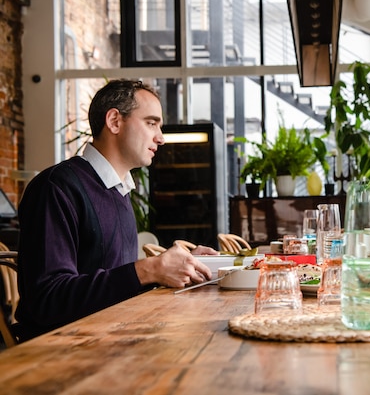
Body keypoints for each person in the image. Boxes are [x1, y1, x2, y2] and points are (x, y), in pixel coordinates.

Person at [15, 79, 218, 342]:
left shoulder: (119, 190)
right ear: (114, 121)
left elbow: (116, 281)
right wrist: (149, 270)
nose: (161, 138)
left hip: (115, 336)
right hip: (65, 351)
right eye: (151, 123)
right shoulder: (56, 187)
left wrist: (173, 266)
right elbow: (48, 299)